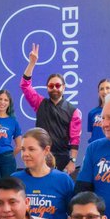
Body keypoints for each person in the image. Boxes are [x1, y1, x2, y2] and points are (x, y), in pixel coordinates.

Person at [20, 44, 82, 172]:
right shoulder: (39, 103)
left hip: (62, 159)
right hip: (40, 156)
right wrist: (32, 63)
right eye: (51, 85)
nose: (54, 88)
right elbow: (25, 86)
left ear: (64, 87)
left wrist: (73, 161)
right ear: (47, 87)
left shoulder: (74, 111)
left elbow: (75, 139)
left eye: (58, 85)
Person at [12, 128, 75, 219]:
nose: (25, 154)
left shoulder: (63, 180)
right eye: (23, 149)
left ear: (46, 150)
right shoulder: (15, 179)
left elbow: (75, 214)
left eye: (31, 149)